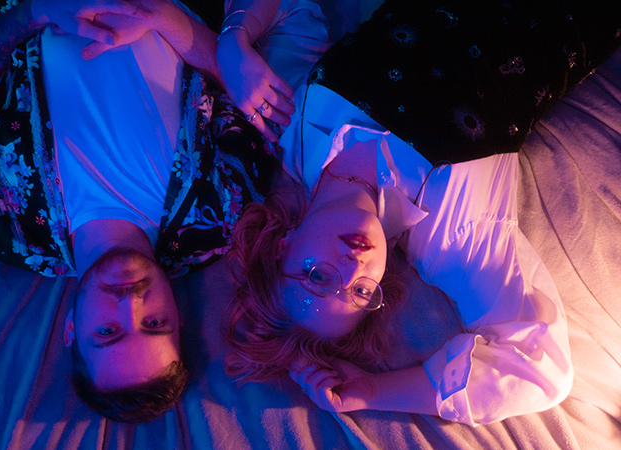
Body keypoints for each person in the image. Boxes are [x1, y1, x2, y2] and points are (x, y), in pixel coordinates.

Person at [0, 0, 327, 423]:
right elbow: (240, 86)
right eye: (155, 323)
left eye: (107, 332)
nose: (131, 303)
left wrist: (39, 12)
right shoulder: (220, 216)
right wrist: (164, 16)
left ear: (71, 330)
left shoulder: (3, 226)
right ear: (179, 318)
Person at [223, 0, 621, 426]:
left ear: (283, 245)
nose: (351, 266)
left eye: (317, 277)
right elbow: (541, 369)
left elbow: (286, 8)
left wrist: (233, 41)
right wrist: (375, 390)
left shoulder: (289, 127)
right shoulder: (452, 236)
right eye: (359, 293)